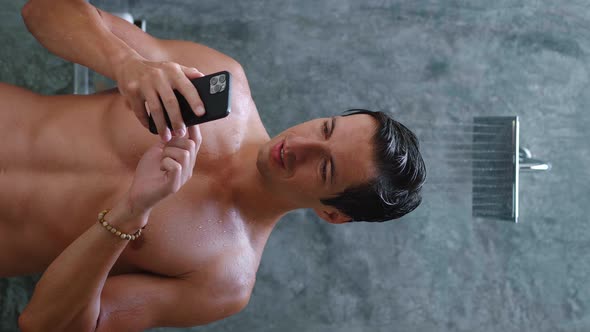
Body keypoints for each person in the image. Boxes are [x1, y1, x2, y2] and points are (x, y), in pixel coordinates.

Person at [3, 0, 426, 331]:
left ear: (332, 213)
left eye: (325, 168)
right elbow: (41, 10)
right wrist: (126, 63)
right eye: (327, 128)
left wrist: (130, 212)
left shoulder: (224, 278)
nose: (300, 144)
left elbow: (44, 324)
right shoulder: (222, 80)